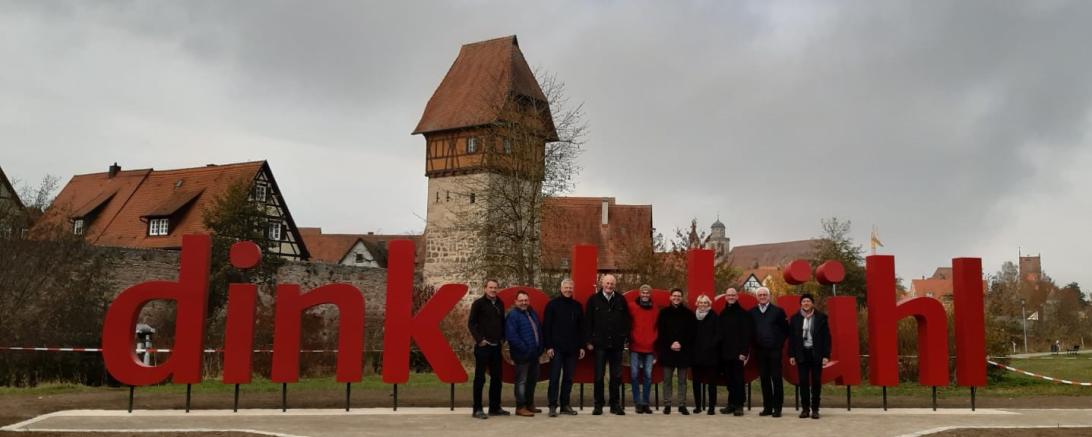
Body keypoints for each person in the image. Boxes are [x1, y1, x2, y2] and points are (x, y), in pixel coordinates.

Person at [584, 274, 631, 415]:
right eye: (607, 283)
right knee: (599, 375)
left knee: (616, 376)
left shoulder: (621, 300)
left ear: (615, 285)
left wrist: (624, 338)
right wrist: (589, 341)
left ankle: (615, 404)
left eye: (612, 283)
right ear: (602, 284)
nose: (609, 286)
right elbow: (588, 322)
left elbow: (626, 321)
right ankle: (598, 405)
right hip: (599, 344)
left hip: (616, 345)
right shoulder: (593, 300)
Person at [543, 278, 585, 417]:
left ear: (573, 289)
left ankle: (565, 405)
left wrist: (581, 346)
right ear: (561, 289)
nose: (568, 290)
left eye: (570, 288)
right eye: (566, 287)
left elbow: (581, 329)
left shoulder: (577, 306)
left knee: (568, 378)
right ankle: (553, 405)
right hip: (556, 349)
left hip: (572, 349)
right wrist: (548, 346)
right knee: (554, 377)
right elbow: (546, 327)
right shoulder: (552, 305)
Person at [468, 279, 507, 419]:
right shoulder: (478, 304)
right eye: (490, 287)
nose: (493, 290)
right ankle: (477, 409)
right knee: (480, 379)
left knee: (497, 378)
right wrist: (480, 340)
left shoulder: (500, 303)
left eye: (495, 288)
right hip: (483, 347)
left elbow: (502, 322)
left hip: (496, 347)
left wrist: (503, 337)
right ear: (485, 288)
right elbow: (471, 324)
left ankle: (495, 407)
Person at [788, 293, 831, 419]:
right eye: (803, 301)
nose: (806, 303)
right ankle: (805, 409)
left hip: (816, 353)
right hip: (802, 354)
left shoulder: (821, 317)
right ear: (801, 304)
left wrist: (826, 355)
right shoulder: (795, 318)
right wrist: (791, 355)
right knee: (803, 382)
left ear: (812, 303)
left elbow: (826, 338)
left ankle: (815, 409)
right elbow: (792, 339)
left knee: (816, 382)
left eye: (808, 301)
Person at [750, 287, 788, 417]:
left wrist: (779, 344)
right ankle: (767, 407)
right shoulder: (752, 312)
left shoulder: (778, 311)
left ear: (769, 296)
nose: (762, 296)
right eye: (760, 295)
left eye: (764, 294)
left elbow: (785, 330)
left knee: (776, 379)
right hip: (760, 351)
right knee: (764, 379)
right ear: (757, 297)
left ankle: (777, 408)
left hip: (774, 351)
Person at [656, 288, 695, 415]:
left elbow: (691, 333)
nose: (676, 298)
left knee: (682, 380)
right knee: (667, 379)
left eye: (679, 296)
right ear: (670, 297)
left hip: (683, 351)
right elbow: (661, 332)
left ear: (682, 298)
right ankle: (667, 404)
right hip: (668, 351)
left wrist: (680, 343)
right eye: (674, 296)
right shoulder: (663, 313)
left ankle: (681, 405)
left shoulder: (688, 314)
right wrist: (671, 343)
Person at [506, 290, 544, 417]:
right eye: (521, 300)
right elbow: (512, 336)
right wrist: (525, 349)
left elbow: (538, 330)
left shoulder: (531, 313)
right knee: (521, 381)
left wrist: (540, 348)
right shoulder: (513, 315)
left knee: (532, 381)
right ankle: (520, 407)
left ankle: (529, 404)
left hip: (534, 355)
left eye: (526, 300)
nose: (524, 302)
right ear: (515, 302)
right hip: (522, 355)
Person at [717, 288, 751, 416]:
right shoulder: (723, 313)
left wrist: (744, 352)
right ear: (725, 297)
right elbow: (720, 334)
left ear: (737, 297)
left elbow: (746, 335)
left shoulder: (743, 314)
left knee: (738, 380)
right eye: (728, 295)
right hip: (725, 353)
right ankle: (731, 404)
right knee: (729, 380)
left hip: (738, 354)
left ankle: (739, 405)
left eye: (733, 295)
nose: (731, 297)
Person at [628, 284, 658, 414]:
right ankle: (637, 402)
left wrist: (654, 341)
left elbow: (657, 326)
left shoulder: (655, 309)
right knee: (634, 375)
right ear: (639, 294)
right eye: (643, 293)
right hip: (635, 346)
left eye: (647, 293)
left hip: (650, 347)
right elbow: (628, 323)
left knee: (648, 376)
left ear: (650, 294)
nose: (645, 295)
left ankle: (645, 402)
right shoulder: (632, 306)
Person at [691, 294, 720, 415]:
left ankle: (711, 407)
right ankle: (698, 406)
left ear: (709, 304)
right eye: (700, 302)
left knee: (712, 383)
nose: (702, 305)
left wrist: (710, 346)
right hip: (696, 355)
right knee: (696, 382)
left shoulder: (714, 316)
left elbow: (719, 335)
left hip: (711, 355)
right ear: (697, 304)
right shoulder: (693, 317)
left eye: (705, 303)